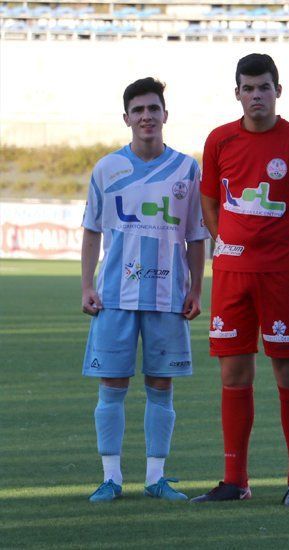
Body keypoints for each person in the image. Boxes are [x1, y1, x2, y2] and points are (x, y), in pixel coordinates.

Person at [191, 53, 289, 505]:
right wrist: (226, 244)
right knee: (233, 372)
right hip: (232, 275)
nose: (257, 95)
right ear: (237, 93)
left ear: (278, 90)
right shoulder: (219, 140)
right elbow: (210, 203)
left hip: (282, 276)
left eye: (264, 87)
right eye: (248, 88)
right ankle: (236, 480)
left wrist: (286, 248)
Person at [81, 77, 208, 502]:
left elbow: (195, 236)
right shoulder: (107, 168)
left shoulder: (187, 169)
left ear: (165, 115)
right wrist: (86, 286)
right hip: (115, 295)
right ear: (126, 118)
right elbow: (91, 230)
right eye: (138, 110)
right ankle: (111, 477)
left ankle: (156, 477)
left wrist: (196, 290)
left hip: (167, 296)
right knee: (111, 387)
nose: (146, 117)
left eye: (153, 109)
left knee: (161, 387)